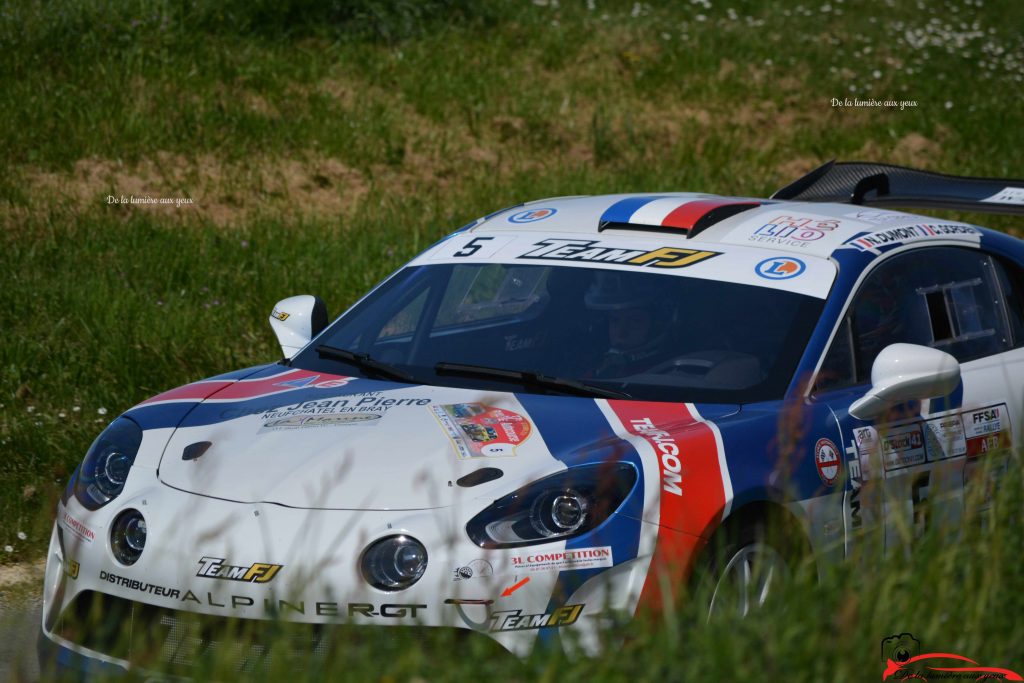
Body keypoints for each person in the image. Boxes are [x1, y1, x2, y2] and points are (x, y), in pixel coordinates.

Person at [583, 271, 673, 378]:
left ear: (657, 325)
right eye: (615, 321)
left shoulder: (671, 376)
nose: (621, 334)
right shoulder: (601, 367)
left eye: (634, 321)